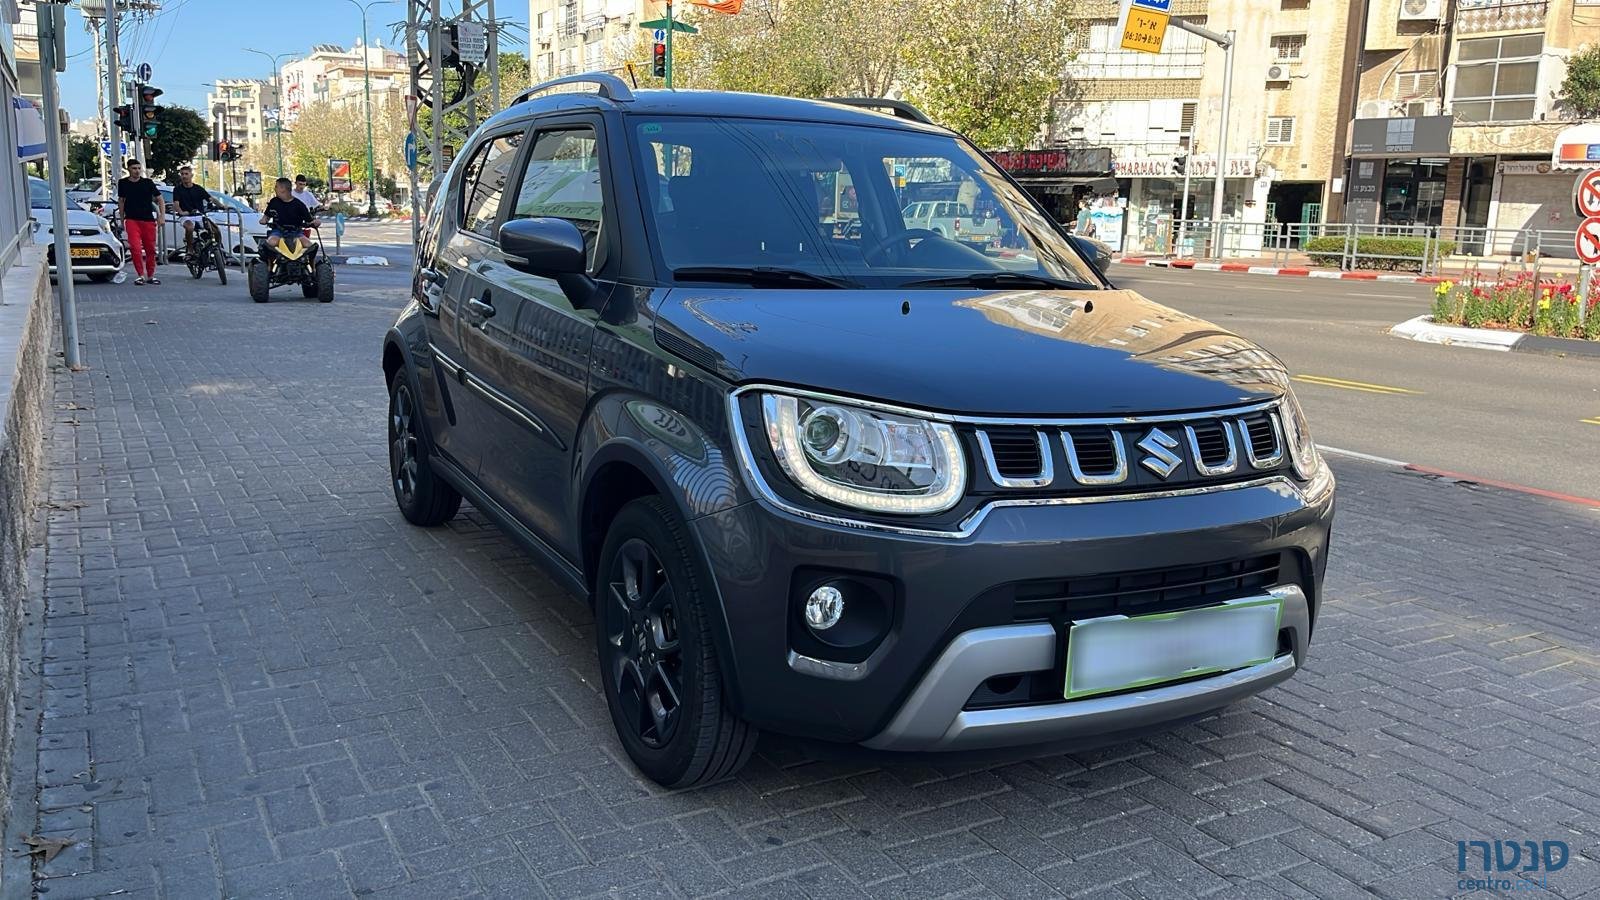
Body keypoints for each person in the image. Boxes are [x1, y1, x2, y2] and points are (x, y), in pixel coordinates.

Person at [117, 159, 163, 285]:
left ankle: (151, 275)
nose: (137, 171)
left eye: (138, 168)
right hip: (132, 219)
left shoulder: (147, 183)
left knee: (150, 249)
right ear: (129, 169)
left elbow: (159, 198)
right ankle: (140, 275)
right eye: (134, 168)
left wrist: (161, 216)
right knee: (135, 248)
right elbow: (121, 201)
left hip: (148, 220)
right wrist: (122, 219)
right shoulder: (123, 183)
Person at [263, 177, 317, 257]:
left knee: (309, 245)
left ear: (283, 189)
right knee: (271, 243)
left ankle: (311, 267)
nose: (275, 189)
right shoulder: (274, 202)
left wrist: (315, 222)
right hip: (278, 232)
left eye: (276, 187)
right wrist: (263, 220)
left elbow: (309, 220)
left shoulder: (299, 205)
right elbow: (266, 217)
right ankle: (269, 266)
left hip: (296, 232)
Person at [172, 166, 211, 260]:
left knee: (213, 227)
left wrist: (222, 205)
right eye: (182, 174)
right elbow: (176, 204)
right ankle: (190, 249)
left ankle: (213, 248)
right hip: (186, 216)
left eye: (186, 174)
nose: (184, 176)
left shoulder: (198, 188)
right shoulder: (177, 189)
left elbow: (210, 198)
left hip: (199, 215)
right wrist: (181, 212)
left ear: (191, 175)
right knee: (189, 227)